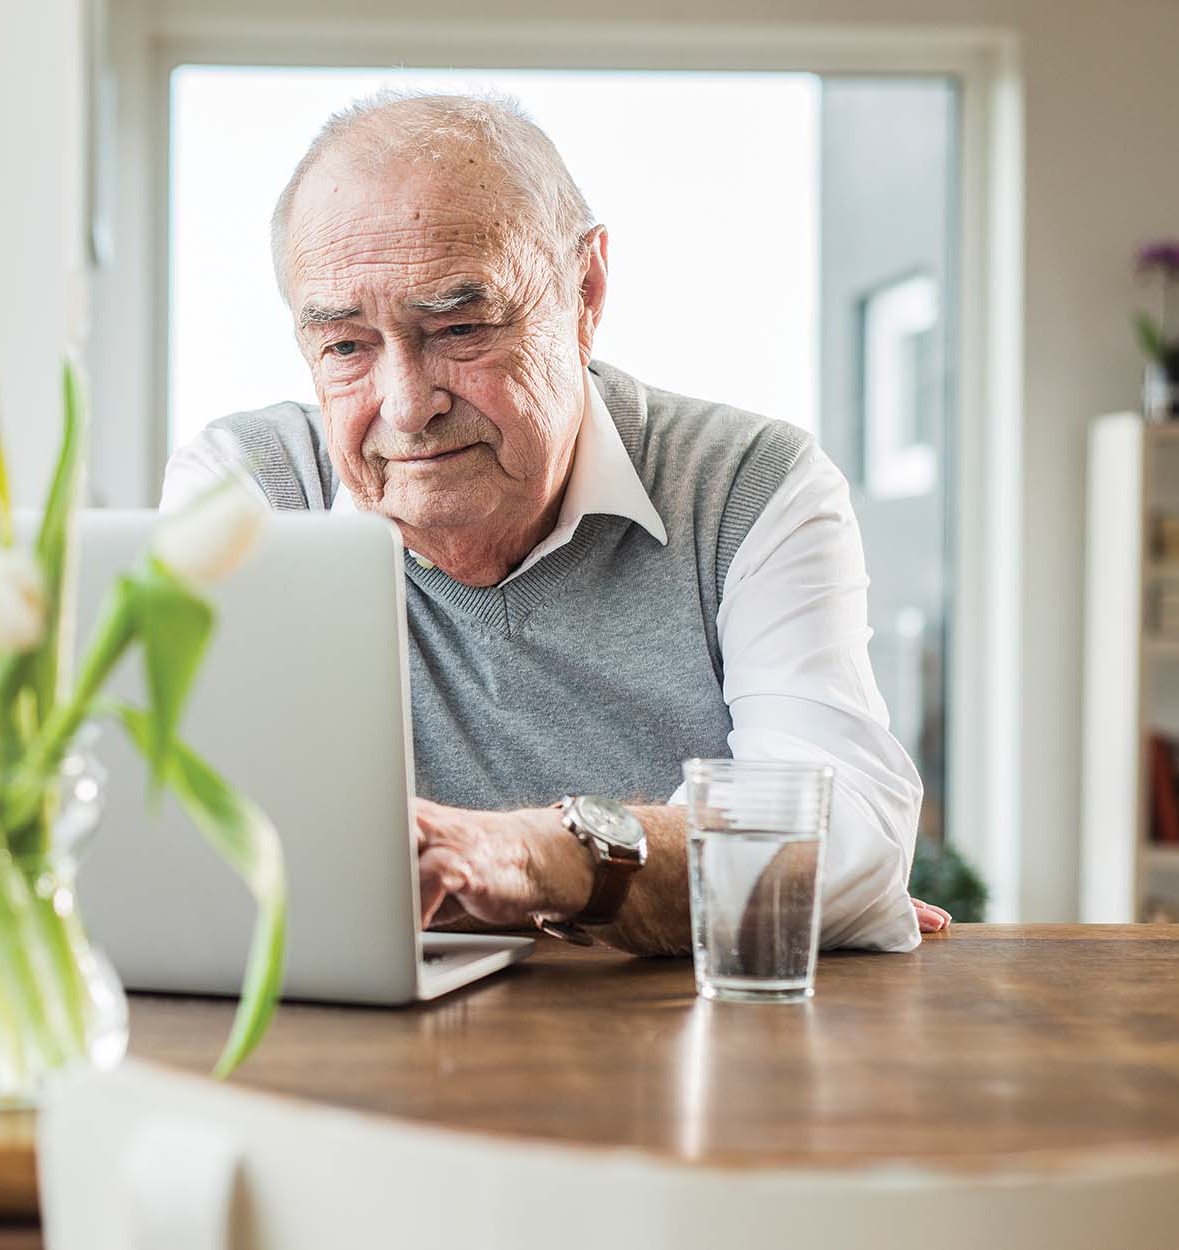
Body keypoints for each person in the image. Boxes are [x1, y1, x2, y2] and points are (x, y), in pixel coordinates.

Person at [162, 91, 949, 954]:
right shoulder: (250, 492)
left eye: (458, 328)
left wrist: (528, 861)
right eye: (346, 346)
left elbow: (841, 838)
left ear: (587, 290)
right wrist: (710, 885)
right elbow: (196, 850)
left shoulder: (750, 488)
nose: (407, 405)